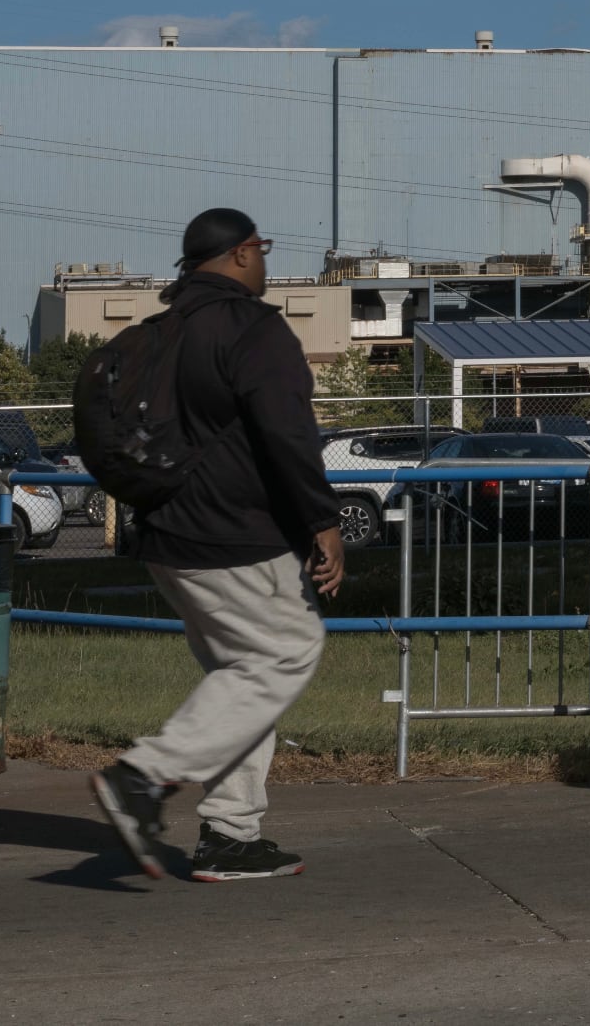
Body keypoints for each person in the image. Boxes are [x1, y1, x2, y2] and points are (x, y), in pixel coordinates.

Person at [84, 209, 345, 882]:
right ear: (238, 255)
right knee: (287, 652)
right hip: (234, 536)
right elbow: (288, 433)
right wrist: (324, 520)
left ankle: (230, 834)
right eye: (262, 249)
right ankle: (142, 778)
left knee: (242, 680)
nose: (264, 261)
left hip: (166, 533)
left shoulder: (157, 333)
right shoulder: (252, 329)